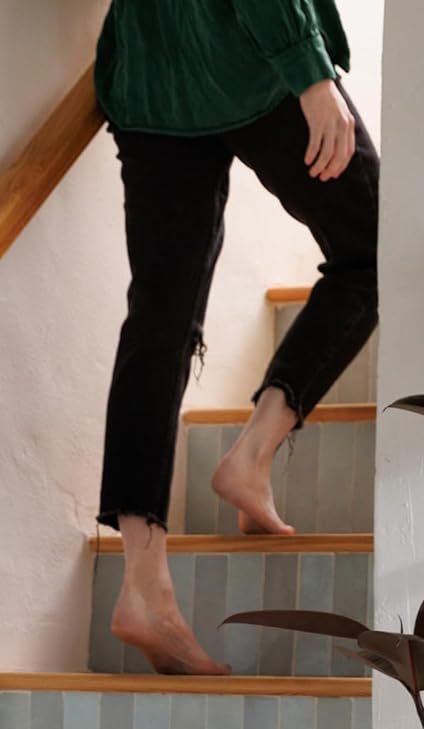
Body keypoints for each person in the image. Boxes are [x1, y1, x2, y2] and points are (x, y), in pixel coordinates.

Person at [93, 0, 378, 674]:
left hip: (148, 74)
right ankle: (252, 452)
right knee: (376, 250)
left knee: (159, 319)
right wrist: (311, 73)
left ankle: (144, 585)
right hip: (250, 55)